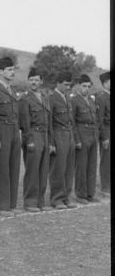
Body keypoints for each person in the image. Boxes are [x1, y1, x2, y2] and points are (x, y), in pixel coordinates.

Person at [0, 57, 22, 217]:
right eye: (9, 69)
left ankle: (11, 204)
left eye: (13, 69)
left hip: (14, 131)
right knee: (2, 169)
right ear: (0, 72)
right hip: (1, 131)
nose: (12, 72)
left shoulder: (12, 90)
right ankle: (2, 205)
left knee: (14, 167)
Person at [19, 68, 54, 212]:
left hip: (45, 136)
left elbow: (49, 123)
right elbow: (25, 123)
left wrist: (51, 142)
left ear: (41, 81)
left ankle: (40, 202)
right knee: (32, 171)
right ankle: (30, 202)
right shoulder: (24, 99)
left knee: (43, 170)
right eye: (31, 80)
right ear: (28, 81)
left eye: (36, 80)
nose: (34, 82)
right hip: (33, 135)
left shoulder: (45, 98)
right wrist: (29, 140)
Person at [49, 72, 77, 209]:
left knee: (69, 168)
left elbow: (72, 120)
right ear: (58, 83)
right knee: (58, 168)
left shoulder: (67, 98)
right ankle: (56, 198)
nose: (67, 87)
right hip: (58, 135)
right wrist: (52, 142)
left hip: (69, 134)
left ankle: (67, 196)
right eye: (65, 84)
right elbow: (49, 122)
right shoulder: (52, 98)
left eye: (69, 85)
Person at [71, 74, 100, 204]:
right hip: (82, 133)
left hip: (93, 134)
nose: (86, 89)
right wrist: (76, 139)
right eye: (84, 86)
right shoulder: (74, 100)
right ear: (78, 86)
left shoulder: (92, 100)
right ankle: (80, 194)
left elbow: (96, 118)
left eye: (88, 86)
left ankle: (90, 193)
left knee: (92, 166)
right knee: (81, 166)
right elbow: (72, 122)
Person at [97, 71, 110, 196]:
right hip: (107, 131)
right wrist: (104, 137)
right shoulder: (102, 97)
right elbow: (100, 119)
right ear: (105, 83)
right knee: (106, 160)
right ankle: (105, 188)